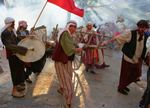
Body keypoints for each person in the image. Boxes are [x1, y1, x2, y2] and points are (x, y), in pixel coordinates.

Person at [102, 20, 149, 95]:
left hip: (137, 59)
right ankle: (121, 88)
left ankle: (124, 85)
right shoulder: (130, 33)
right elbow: (118, 37)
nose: (142, 29)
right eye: (141, 27)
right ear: (138, 27)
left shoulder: (146, 36)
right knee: (125, 74)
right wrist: (107, 42)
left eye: (144, 28)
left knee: (136, 74)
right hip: (128, 58)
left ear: (146, 28)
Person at [52, 20, 82, 108]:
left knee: (68, 76)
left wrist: (76, 47)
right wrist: (76, 49)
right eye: (72, 26)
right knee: (68, 84)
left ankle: (61, 89)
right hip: (60, 61)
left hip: (67, 60)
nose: (73, 28)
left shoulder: (69, 35)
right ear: (68, 26)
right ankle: (68, 103)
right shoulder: (65, 33)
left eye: (75, 27)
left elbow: (71, 44)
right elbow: (68, 47)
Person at [1, 17, 29, 98]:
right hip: (12, 55)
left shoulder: (12, 31)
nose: (15, 24)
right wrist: (23, 49)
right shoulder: (5, 33)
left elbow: (17, 38)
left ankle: (18, 86)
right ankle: (14, 91)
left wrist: (28, 37)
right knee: (15, 72)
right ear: (10, 23)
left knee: (20, 69)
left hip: (17, 54)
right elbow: (9, 45)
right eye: (13, 23)